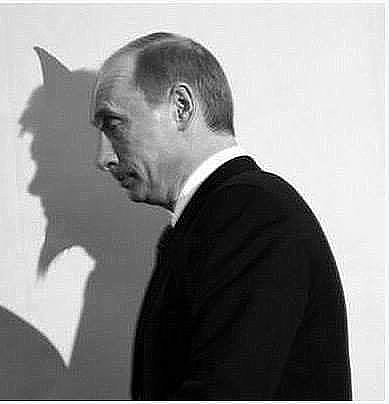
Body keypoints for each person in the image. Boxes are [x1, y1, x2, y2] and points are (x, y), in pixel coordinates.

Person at [90, 32, 352, 400]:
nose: (103, 158)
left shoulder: (253, 214)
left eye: (114, 125)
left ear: (181, 107)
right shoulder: (225, 216)